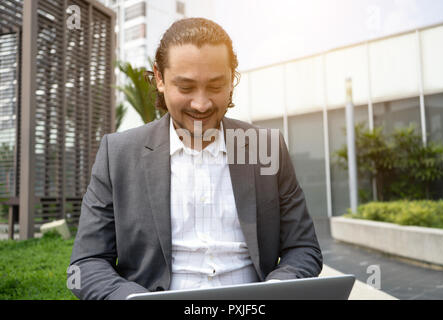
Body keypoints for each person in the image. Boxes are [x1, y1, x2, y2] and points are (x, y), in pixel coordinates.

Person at [68, 17, 322, 300]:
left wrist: (279, 289)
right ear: (160, 79)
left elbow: (303, 247)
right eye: (186, 88)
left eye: (215, 86)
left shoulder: (266, 147)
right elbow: (87, 264)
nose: (201, 104)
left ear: (232, 80)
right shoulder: (117, 155)